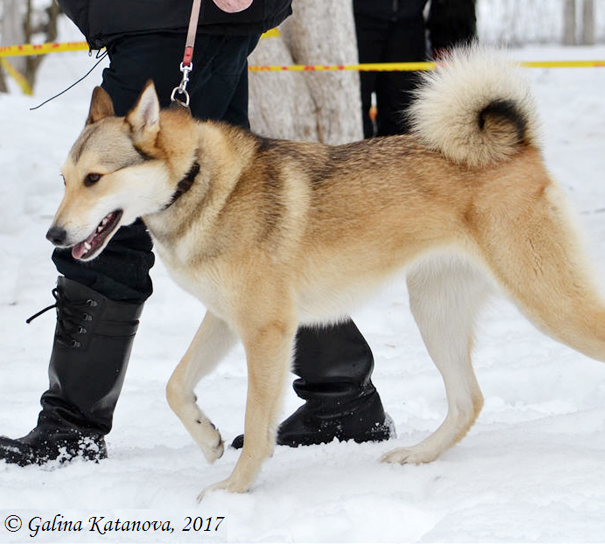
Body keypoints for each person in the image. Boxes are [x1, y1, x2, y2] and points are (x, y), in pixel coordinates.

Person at [0, 0, 393, 467]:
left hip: (168, 19)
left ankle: (70, 429)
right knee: (247, 223)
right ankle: (341, 393)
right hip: (172, 21)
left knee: (108, 222)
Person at [353, 0, 477, 138]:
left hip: (410, 24)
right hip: (357, 20)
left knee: (403, 113)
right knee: (356, 108)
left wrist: (449, 37)